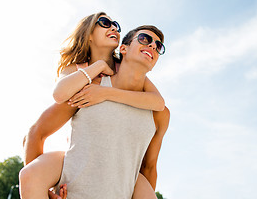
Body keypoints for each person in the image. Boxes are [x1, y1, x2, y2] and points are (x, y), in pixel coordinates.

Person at [19, 13, 169, 199]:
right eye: (144, 39)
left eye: (158, 46)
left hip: (121, 188)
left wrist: (106, 94)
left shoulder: (156, 110)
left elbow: (149, 167)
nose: (152, 45)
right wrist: (47, 190)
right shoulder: (87, 85)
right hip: (75, 184)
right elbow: (38, 129)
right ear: (123, 48)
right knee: (29, 175)